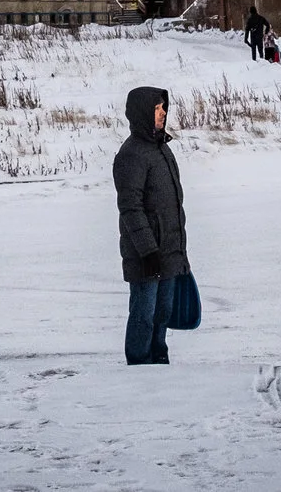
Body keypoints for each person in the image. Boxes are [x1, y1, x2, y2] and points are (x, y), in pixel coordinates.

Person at [113, 86, 189, 365]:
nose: (163, 113)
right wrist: (148, 252)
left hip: (168, 250)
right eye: (157, 109)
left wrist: (178, 251)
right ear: (142, 113)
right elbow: (131, 209)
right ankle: (138, 366)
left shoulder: (162, 150)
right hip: (146, 255)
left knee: (162, 314)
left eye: (163, 108)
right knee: (143, 315)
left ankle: (159, 363)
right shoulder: (131, 154)